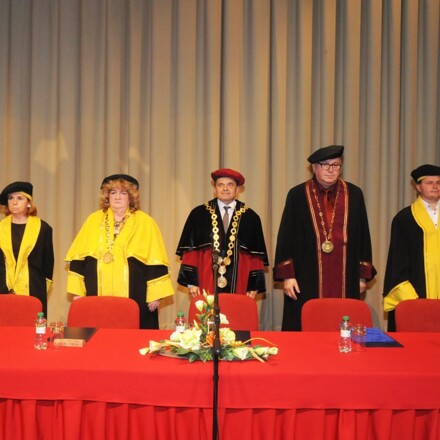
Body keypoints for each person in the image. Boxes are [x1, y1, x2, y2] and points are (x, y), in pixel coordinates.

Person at [274, 145, 376, 331]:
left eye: (336, 165)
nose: (331, 170)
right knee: (306, 325)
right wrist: (288, 276)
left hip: (346, 275)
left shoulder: (354, 194)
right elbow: (286, 236)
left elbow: (363, 236)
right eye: (325, 165)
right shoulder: (298, 195)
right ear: (314, 167)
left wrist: (362, 276)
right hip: (306, 275)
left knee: (344, 322)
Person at [65, 174, 174, 329]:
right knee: (98, 336)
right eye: (113, 192)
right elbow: (78, 258)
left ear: (131, 197)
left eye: (123, 193)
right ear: (107, 196)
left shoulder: (146, 222)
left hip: (137, 295)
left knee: (134, 338)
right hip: (95, 293)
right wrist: (78, 292)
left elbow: (156, 260)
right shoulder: (92, 220)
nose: (117, 197)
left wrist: (155, 296)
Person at [176, 168, 269, 298]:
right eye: (220, 185)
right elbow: (190, 251)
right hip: (205, 281)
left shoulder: (251, 217)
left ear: (237, 189)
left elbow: (255, 256)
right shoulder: (199, 214)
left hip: (240, 284)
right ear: (215, 188)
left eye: (230, 185)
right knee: (207, 310)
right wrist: (191, 282)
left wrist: (253, 285)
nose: (225, 188)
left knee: (236, 310)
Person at [383, 164, 440, 331]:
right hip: (415, 293)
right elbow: (397, 263)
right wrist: (412, 301)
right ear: (418, 186)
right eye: (429, 183)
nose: (435, 186)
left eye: (438, 182)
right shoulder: (404, 219)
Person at [0, 181, 54, 317]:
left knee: (31, 326)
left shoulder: (43, 229)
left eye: (19, 198)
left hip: (33, 288)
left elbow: (48, 264)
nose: (14, 202)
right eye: (10, 198)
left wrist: (41, 289)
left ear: (29, 203)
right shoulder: (1, 228)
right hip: (3, 289)